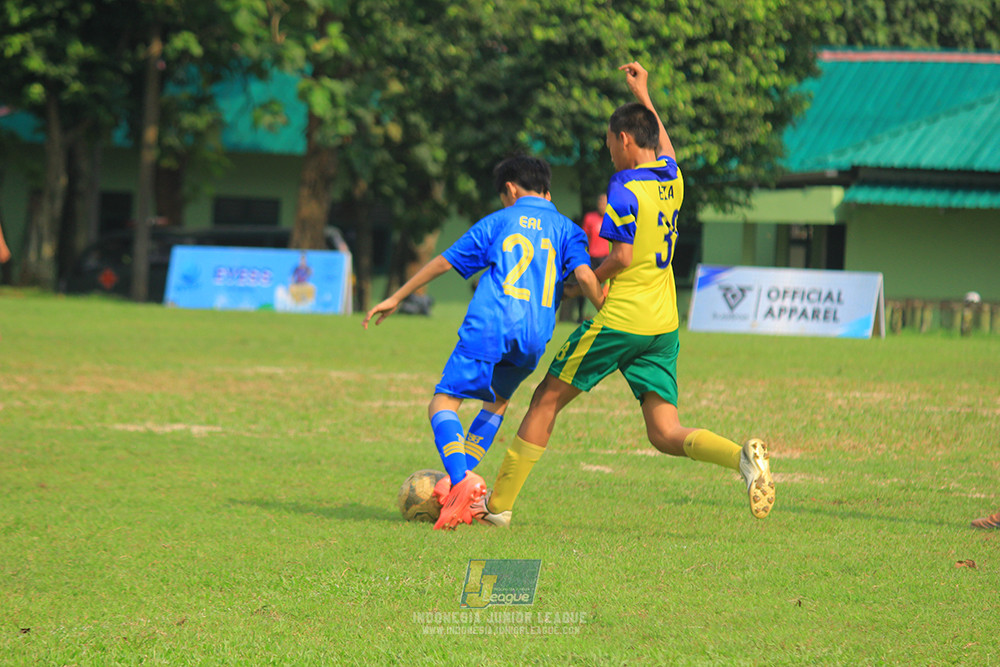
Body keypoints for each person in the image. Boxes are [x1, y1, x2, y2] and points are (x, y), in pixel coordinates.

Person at [467, 62, 776, 528]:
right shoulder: (671, 177)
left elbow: (623, 257)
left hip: (620, 319)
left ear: (625, 141)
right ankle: (742, 460)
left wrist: (579, 281)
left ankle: (498, 507)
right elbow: (664, 148)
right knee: (663, 431)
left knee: (545, 400)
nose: (608, 150)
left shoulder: (625, 186)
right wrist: (645, 95)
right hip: (663, 326)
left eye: (610, 141)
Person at [363, 154, 604, 530]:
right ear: (547, 189)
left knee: (442, 401)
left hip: (491, 325)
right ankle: (466, 487)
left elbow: (445, 262)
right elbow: (584, 278)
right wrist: (603, 304)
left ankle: (460, 482)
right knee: (497, 401)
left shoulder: (500, 221)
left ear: (509, 189)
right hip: (535, 335)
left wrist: (398, 296)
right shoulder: (568, 229)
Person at [576, 193, 610, 321]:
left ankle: (605, 314)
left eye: (604, 202)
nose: (602, 205)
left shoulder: (611, 218)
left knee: (607, 288)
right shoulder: (590, 218)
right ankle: (580, 315)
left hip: (606, 258)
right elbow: (584, 237)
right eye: (600, 202)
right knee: (585, 284)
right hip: (592, 256)